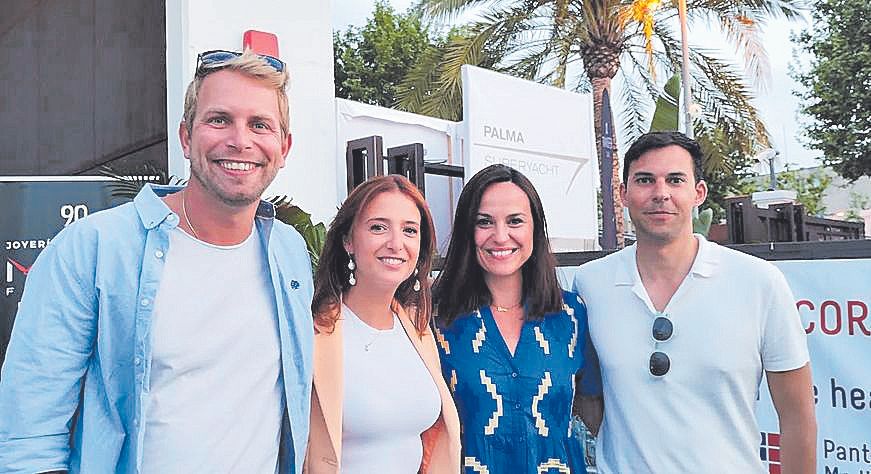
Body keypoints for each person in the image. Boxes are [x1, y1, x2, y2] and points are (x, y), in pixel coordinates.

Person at [0, 49, 314, 474]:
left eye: (259, 124)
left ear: (284, 146)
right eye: (219, 119)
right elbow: (28, 436)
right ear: (186, 137)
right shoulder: (92, 249)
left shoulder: (289, 252)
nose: (240, 140)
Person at [573, 131, 817, 473]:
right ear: (623, 194)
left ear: (698, 193)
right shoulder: (590, 283)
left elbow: (797, 417)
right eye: (645, 180)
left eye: (675, 180)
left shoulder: (760, 282)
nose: (661, 194)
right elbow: (586, 399)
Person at [432, 164, 601, 473]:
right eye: (484, 222)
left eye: (515, 221)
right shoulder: (434, 320)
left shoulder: (572, 316)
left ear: (535, 228)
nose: (500, 236)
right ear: (467, 232)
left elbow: (596, 414)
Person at [304, 175, 460, 474]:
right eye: (378, 227)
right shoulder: (312, 332)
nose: (395, 243)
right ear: (348, 240)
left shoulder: (418, 330)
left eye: (409, 230)